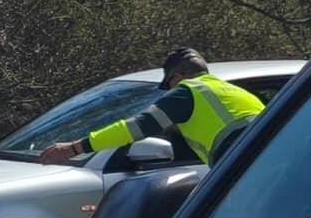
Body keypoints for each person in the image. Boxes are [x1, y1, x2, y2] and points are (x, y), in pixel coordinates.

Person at [39, 47, 265, 166]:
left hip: (241, 162)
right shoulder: (237, 92)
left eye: (169, 85)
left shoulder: (187, 92)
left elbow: (136, 128)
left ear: (178, 76)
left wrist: (76, 148)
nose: (170, 90)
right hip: (269, 157)